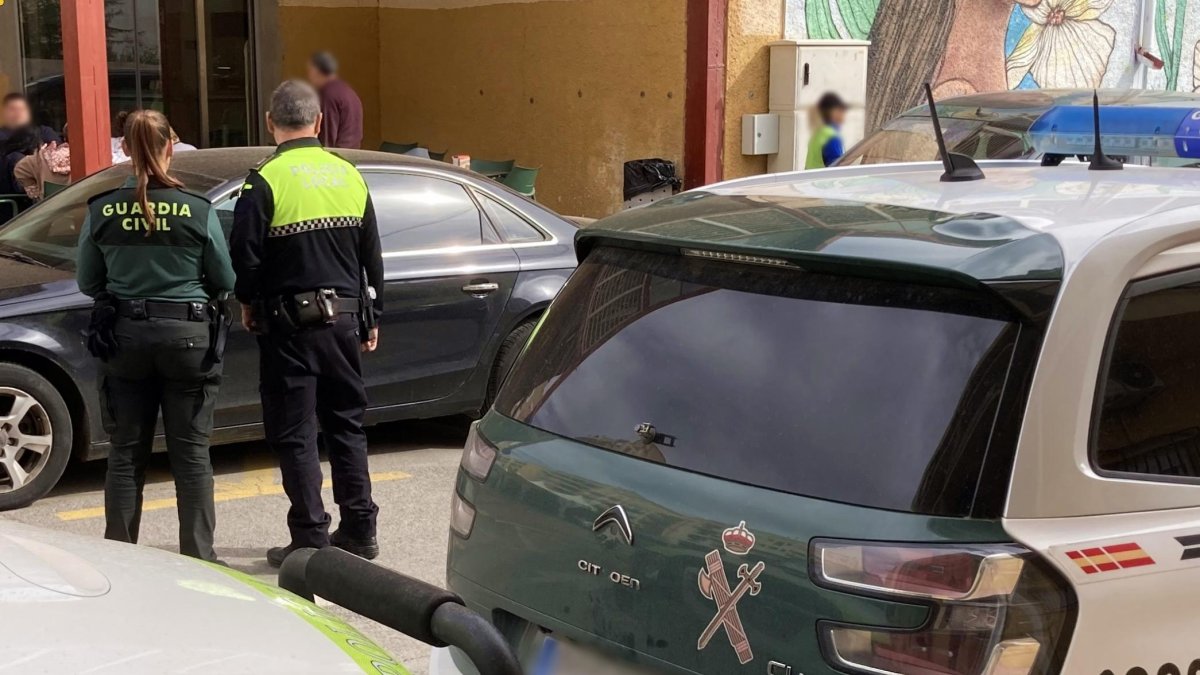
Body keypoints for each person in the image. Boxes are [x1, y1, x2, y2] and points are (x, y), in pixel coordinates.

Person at [230, 80, 383, 568]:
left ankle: (310, 537)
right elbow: (371, 254)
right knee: (346, 425)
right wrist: (371, 314)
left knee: (295, 432)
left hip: (289, 326)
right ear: (318, 123)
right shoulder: (349, 174)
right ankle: (360, 530)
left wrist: (247, 302)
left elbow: (245, 257)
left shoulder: (264, 181)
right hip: (344, 321)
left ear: (271, 122)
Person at [76, 109, 236, 562]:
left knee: (126, 455)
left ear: (124, 149)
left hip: (124, 339)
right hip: (188, 338)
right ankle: (200, 561)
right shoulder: (198, 209)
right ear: (171, 146)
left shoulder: (101, 208)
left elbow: (89, 282)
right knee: (191, 456)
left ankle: (122, 560)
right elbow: (225, 279)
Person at [307, 51, 364, 149]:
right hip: (353, 155)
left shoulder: (328, 94)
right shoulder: (347, 90)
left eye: (310, 71)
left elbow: (328, 136)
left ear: (316, 70)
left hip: (337, 157)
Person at [805, 92, 848, 169]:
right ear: (833, 112)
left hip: (809, 179)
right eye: (841, 110)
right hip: (822, 180)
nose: (844, 114)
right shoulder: (831, 137)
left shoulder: (818, 133)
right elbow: (836, 170)